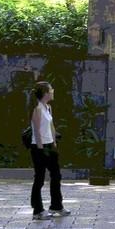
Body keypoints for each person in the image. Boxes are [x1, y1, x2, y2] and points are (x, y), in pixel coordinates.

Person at [28, 81, 70, 221]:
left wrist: (54, 144)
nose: (53, 91)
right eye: (51, 90)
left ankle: (56, 205)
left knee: (56, 176)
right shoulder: (37, 109)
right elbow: (37, 131)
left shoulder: (48, 107)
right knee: (39, 179)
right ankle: (38, 210)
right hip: (39, 147)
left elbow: (51, 126)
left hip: (50, 146)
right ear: (45, 93)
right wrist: (41, 148)